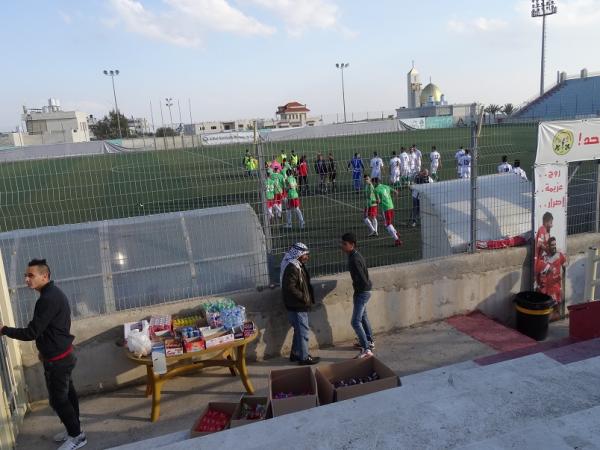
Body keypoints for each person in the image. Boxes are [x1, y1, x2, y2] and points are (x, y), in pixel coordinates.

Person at [0, 259, 87, 450]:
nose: (26, 279)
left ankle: (77, 436)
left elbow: (32, 332)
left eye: (30, 275)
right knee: (68, 394)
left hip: (58, 360)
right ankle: (75, 429)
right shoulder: (52, 294)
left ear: (44, 276)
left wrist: (4, 329)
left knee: (59, 400)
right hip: (62, 354)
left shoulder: (48, 299)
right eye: (26, 275)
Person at [280, 243, 320, 365]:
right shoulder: (293, 267)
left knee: (298, 330)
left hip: (294, 304)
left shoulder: (295, 264)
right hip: (298, 305)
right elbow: (290, 287)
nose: (307, 257)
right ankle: (303, 357)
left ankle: (295, 353)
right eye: (305, 255)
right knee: (303, 332)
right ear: (299, 255)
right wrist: (304, 298)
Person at [340, 233, 374, 359]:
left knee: (355, 322)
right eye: (342, 243)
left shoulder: (354, 259)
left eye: (344, 244)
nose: (342, 246)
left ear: (352, 245)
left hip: (362, 292)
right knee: (363, 317)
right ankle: (369, 341)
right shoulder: (354, 255)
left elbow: (362, 278)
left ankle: (366, 349)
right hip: (363, 291)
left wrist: (360, 291)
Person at [535, 237, 567, 309]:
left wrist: (562, 288)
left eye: (555, 244)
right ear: (548, 246)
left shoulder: (559, 255)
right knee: (546, 311)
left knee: (556, 310)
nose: (554, 246)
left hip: (556, 289)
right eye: (552, 245)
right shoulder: (543, 259)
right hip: (546, 291)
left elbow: (565, 267)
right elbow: (539, 274)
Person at [373, 178, 402, 246]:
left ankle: (397, 240)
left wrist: (374, 202)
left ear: (375, 183)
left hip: (385, 208)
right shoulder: (385, 186)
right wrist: (392, 199)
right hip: (391, 206)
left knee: (387, 224)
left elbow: (379, 201)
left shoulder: (376, 190)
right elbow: (396, 192)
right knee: (389, 222)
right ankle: (396, 233)